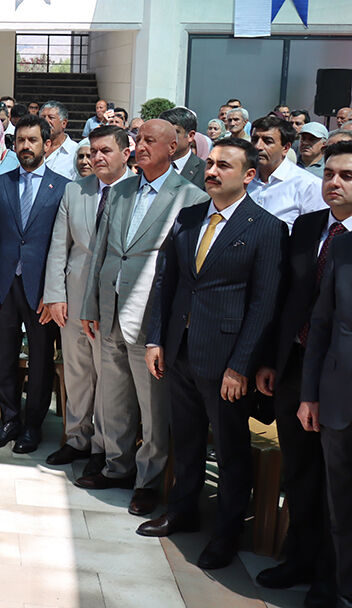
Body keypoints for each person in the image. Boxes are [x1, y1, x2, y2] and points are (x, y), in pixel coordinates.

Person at [138, 138, 287, 571]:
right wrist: (155, 339)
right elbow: (166, 282)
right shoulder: (187, 218)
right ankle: (183, 511)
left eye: (225, 165)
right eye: (211, 163)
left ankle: (225, 533)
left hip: (225, 362)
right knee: (185, 441)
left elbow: (263, 305)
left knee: (230, 450)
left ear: (249, 176)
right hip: (180, 353)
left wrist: (241, 365)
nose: (213, 171)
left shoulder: (266, 228)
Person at [77, 120, 208, 516]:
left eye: (151, 141)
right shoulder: (121, 191)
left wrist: (168, 326)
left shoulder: (189, 196)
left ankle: (149, 481)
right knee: (113, 397)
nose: (142, 146)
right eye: (139, 139)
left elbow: (183, 269)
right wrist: (88, 306)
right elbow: (100, 251)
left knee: (153, 409)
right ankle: (116, 466)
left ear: (174, 147)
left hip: (150, 317)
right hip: (108, 307)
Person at [254, 140, 352, 605]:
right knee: (300, 472)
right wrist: (273, 358)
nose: (334, 183)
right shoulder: (310, 225)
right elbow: (286, 296)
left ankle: (332, 578)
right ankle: (298, 556)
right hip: (297, 365)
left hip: (342, 380)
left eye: (347, 176)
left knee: (340, 485)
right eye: (329, 173)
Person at [40, 125, 133, 474]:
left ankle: (106, 449)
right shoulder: (75, 191)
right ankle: (77, 437)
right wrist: (55, 295)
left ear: (126, 153)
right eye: (93, 151)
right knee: (77, 373)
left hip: (112, 304)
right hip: (74, 298)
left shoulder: (135, 192)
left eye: (105, 150)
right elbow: (58, 248)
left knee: (110, 380)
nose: (97, 157)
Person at [0, 114, 70, 454]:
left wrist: (55, 291)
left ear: (47, 144)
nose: (26, 147)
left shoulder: (62, 187)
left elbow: (64, 244)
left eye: (32, 140)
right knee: (3, 355)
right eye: (20, 141)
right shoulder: (0, 184)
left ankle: (33, 425)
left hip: (42, 289)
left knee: (40, 359)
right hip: (4, 285)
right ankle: (9, 419)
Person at [247, 114, 325, 231]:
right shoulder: (243, 179)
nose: (258, 146)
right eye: (254, 140)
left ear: (286, 148)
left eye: (267, 141)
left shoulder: (309, 186)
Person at [161, 106, 207, 189]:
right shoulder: (150, 166)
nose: (166, 137)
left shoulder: (204, 172)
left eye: (175, 132)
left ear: (190, 136)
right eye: (163, 132)